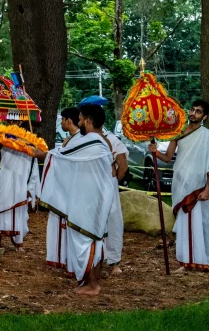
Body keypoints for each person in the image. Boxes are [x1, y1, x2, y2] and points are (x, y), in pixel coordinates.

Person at [36, 104, 115, 295]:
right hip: (96, 197)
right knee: (95, 239)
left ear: (88, 120)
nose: (78, 123)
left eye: (80, 119)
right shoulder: (101, 142)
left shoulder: (90, 142)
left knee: (84, 240)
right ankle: (92, 281)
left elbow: (60, 157)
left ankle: (92, 284)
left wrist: (39, 153)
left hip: (88, 200)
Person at [148, 99, 209, 273]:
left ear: (205, 116)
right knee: (185, 225)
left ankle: (207, 261)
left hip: (200, 186)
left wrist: (208, 188)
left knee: (204, 224)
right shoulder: (177, 133)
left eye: (199, 111)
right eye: (192, 109)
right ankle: (185, 262)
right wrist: (154, 151)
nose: (194, 113)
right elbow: (167, 157)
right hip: (181, 184)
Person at [0, 131, 39, 253]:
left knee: (18, 209)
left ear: (20, 121)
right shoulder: (2, 137)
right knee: (0, 206)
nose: (11, 121)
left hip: (21, 180)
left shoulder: (28, 138)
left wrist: (30, 186)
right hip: (5, 178)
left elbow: (35, 161)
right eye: (9, 119)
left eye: (15, 119)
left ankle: (18, 242)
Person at [42, 107, 81, 270]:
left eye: (62, 119)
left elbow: (62, 160)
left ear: (69, 121)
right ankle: (62, 257)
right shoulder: (71, 139)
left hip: (70, 191)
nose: (61, 122)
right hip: (66, 189)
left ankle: (68, 260)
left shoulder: (79, 140)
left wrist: (44, 154)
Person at [98, 113, 129, 276]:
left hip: (109, 187)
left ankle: (114, 261)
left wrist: (111, 184)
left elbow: (122, 166)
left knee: (113, 222)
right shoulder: (85, 140)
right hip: (92, 188)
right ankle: (96, 258)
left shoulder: (112, 140)